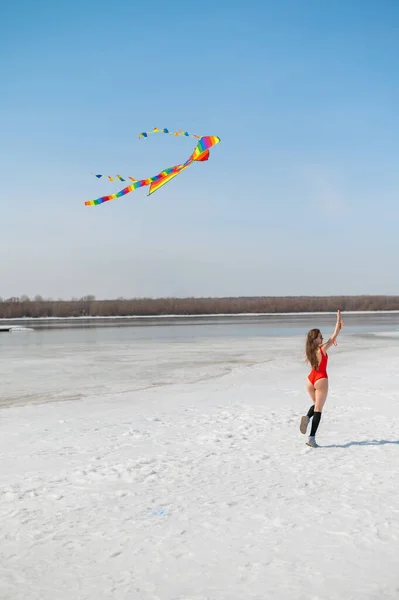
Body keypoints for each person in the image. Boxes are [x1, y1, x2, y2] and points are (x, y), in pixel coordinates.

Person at [300, 310, 344, 448]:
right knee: (318, 408)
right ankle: (311, 438)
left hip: (310, 380)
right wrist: (338, 320)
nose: (322, 338)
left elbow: (331, 337)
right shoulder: (322, 349)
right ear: (315, 339)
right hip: (320, 379)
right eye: (320, 337)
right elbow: (334, 336)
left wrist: (339, 327)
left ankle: (307, 418)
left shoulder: (310, 350)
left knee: (316, 404)